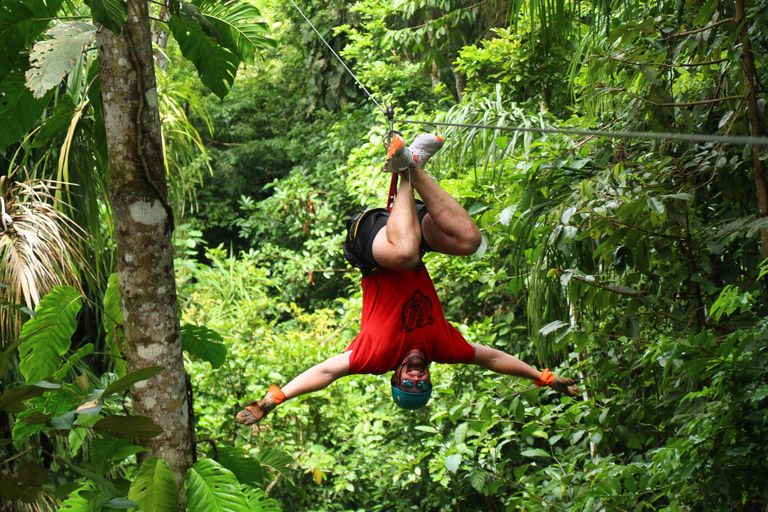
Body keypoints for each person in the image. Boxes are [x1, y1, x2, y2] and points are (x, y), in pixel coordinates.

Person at [236, 133, 578, 425]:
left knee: (404, 255)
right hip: (407, 232)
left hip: (372, 246)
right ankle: (412, 164)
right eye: (421, 383)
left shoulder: (378, 356)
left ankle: (405, 171)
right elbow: (492, 358)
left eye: (407, 383)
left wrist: (273, 400)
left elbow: (326, 373)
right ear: (428, 377)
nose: (415, 378)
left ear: (395, 376)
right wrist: (543, 377)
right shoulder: (442, 348)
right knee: (468, 242)